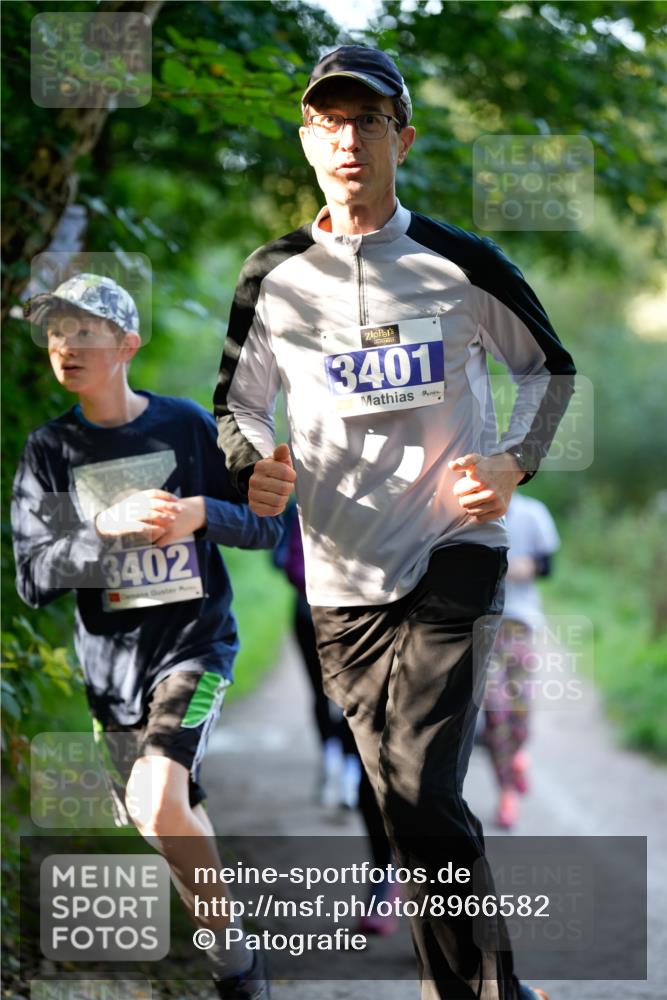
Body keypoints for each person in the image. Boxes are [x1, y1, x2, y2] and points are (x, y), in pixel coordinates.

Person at [214, 44, 575, 1000]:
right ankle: (473, 987)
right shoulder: (275, 277)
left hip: (452, 554)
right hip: (338, 579)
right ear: (305, 141)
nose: (347, 139)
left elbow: (551, 368)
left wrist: (509, 463)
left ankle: (481, 993)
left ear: (401, 140)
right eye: (328, 122)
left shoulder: (458, 262)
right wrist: (257, 466)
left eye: (366, 121)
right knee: (406, 802)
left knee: (417, 794)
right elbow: (237, 408)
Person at [13, 274, 281, 1000]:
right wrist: (101, 527)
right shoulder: (49, 452)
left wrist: (200, 513)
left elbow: (266, 522)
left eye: (85, 331)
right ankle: (234, 962)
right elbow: (33, 577)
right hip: (112, 677)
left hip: (194, 651)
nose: (67, 346)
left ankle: (234, 964)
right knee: (160, 812)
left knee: (161, 798)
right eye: (56, 332)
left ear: (127, 344)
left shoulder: (186, 427)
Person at [482, 493, 560, 829]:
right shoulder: (469, 513)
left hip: (519, 623)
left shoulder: (533, 512)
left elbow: (548, 565)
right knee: (494, 711)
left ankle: (516, 756)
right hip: (480, 624)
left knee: (519, 709)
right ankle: (507, 794)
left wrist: (525, 567)